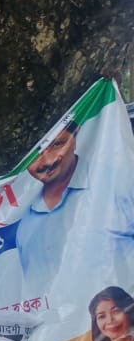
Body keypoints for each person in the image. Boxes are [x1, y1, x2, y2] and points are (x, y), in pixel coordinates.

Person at [17, 118, 134, 291]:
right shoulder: (20, 216)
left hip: (112, 316)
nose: (47, 161)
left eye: (57, 144)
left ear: (77, 134)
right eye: (34, 154)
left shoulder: (119, 185)